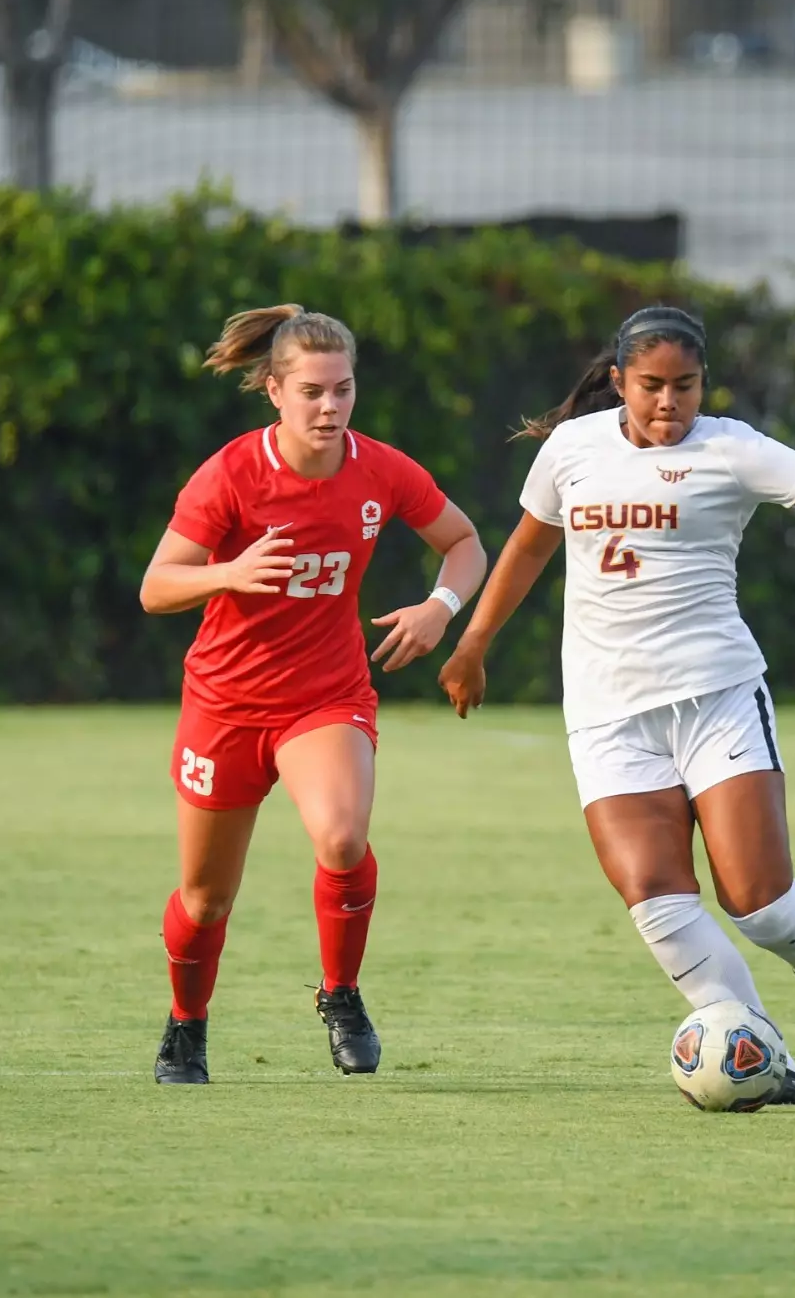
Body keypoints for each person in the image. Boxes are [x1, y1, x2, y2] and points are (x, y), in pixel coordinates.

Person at [436, 307, 795, 1100]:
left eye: (686, 385)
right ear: (618, 381)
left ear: (705, 383)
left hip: (718, 698)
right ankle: (772, 1061)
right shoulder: (571, 449)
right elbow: (530, 545)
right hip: (607, 714)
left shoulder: (732, 448)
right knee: (657, 898)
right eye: (651, 385)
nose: (669, 402)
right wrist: (474, 642)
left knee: (757, 905)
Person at [139, 304, 486, 1085]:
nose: (330, 407)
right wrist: (228, 573)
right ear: (273, 391)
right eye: (312, 392)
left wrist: (441, 607)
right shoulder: (231, 473)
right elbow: (156, 587)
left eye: (343, 389)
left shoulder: (380, 469)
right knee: (205, 898)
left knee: (341, 837)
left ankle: (341, 994)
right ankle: (187, 1026)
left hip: (323, 698)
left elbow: (463, 542)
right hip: (225, 704)